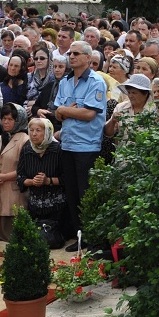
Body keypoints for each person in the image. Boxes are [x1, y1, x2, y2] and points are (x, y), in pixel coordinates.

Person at [54, 40, 108, 251]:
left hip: (87, 146)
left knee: (86, 194)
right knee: (72, 193)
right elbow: (56, 111)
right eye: (70, 53)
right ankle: (79, 237)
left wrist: (66, 111)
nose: (72, 56)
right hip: (67, 144)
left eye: (76, 53)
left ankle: (91, 237)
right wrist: (66, 110)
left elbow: (89, 114)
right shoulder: (65, 81)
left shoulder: (96, 81)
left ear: (87, 57)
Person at [0, 104, 30, 242]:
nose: (6, 122)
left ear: (18, 120)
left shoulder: (25, 140)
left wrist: (4, 177)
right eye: (4, 118)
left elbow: (25, 169)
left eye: (10, 119)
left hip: (13, 189)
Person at [17, 117, 65, 226]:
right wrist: (32, 181)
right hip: (34, 209)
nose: (34, 134)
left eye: (38, 130)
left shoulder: (58, 149)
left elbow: (67, 178)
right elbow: (19, 177)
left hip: (57, 210)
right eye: (31, 130)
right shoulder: (27, 150)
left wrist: (48, 181)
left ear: (47, 132)